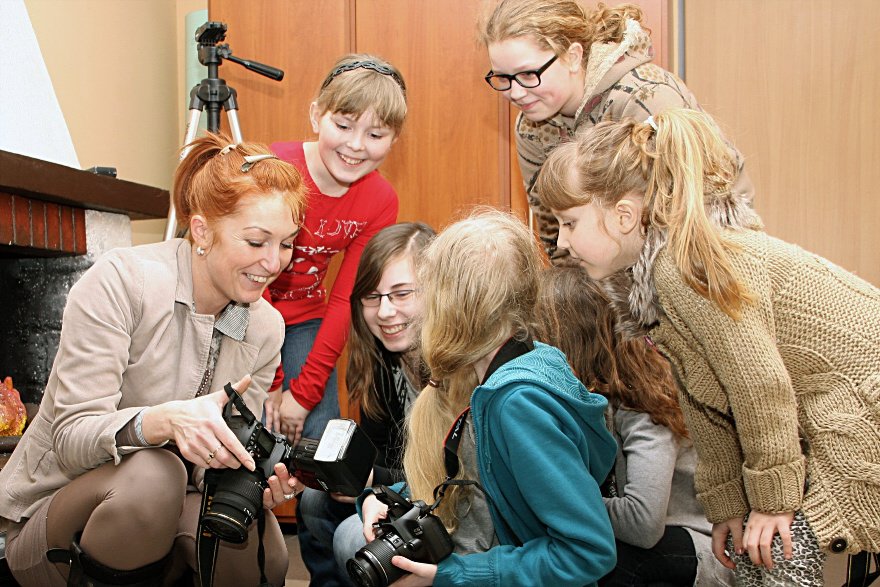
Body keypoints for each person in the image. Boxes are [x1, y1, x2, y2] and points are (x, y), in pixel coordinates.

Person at [536, 107, 880, 585]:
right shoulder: (658, 280)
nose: (563, 243)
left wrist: (773, 502)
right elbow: (705, 401)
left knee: (778, 556)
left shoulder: (683, 270)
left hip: (863, 403)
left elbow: (760, 386)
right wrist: (728, 507)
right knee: (754, 555)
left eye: (570, 223)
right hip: (819, 414)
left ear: (623, 215)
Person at [0, 132, 308, 587]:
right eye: (257, 241)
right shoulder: (122, 282)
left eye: (286, 244)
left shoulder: (265, 327)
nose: (273, 262)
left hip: (165, 509)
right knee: (154, 474)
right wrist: (163, 422)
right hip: (50, 514)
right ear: (202, 230)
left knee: (260, 546)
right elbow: (70, 436)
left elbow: (214, 463)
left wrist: (257, 483)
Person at [359, 209, 618, 587]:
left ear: (455, 307)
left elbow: (587, 551)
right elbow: (477, 484)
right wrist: (385, 496)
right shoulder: (528, 357)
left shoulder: (517, 404)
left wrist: (453, 575)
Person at [261, 53, 407, 587]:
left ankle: (327, 578)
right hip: (246, 317)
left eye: (376, 134)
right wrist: (275, 383)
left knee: (326, 460)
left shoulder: (378, 199)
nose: (355, 145)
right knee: (254, 447)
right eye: (343, 125)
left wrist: (303, 389)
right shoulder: (274, 168)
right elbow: (250, 283)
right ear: (316, 114)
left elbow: (347, 297)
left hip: (307, 322)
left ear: (393, 140)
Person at [477, 0, 753, 264]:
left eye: (527, 75)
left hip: (704, 244)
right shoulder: (531, 129)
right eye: (503, 78)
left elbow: (686, 214)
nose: (515, 92)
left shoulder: (646, 99)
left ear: (572, 56)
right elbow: (555, 234)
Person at [534, 266, 735, 586]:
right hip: (656, 545)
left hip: (700, 547)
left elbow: (643, 523)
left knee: (608, 565)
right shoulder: (588, 400)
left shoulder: (642, 403)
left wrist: (556, 503)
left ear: (566, 341)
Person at [294, 222, 435, 581]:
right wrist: (364, 477)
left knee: (350, 539)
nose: (385, 312)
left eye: (401, 294)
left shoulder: (456, 367)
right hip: (407, 486)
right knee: (313, 500)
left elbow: (451, 475)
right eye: (372, 297)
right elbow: (385, 452)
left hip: (446, 497)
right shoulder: (383, 358)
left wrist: (379, 485)